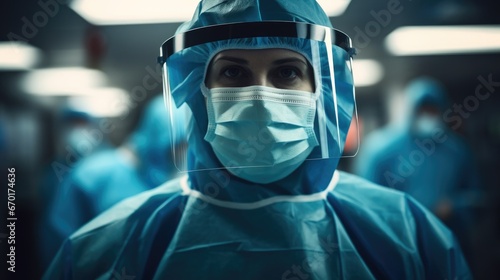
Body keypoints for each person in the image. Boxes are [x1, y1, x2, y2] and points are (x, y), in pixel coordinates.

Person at [44, 1, 471, 279]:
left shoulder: (406, 235)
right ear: (197, 92)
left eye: (287, 72)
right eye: (233, 73)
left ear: (323, 90)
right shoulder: (115, 246)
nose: (260, 99)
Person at [40, 95, 186, 268]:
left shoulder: (181, 186)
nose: (183, 160)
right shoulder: (93, 175)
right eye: (174, 149)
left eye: (191, 149)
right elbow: (60, 246)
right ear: (154, 136)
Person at [354, 77, 483, 268]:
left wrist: (454, 206)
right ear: (410, 110)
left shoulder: (456, 151)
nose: (427, 116)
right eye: (422, 109)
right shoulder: (381, 150)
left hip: (448, 243)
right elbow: (362, 203)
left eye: (432, 110)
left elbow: (476, 196)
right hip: (398, 246)